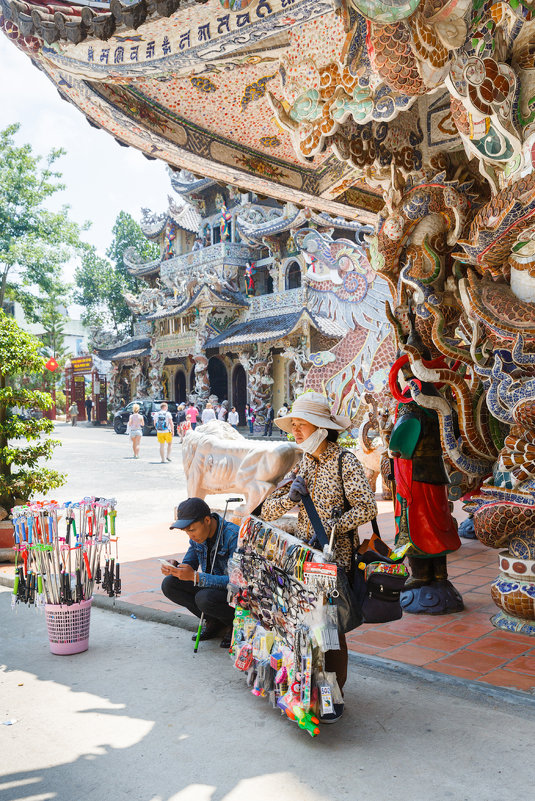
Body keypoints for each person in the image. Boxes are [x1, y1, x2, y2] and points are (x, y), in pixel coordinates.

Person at [261, 392, 377, 722]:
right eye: (293, 425)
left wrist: (333, 527)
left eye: (301, 425)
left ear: (322, 429)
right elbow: (268, 511)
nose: (295, 432)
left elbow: (367, 507)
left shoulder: (345, 461)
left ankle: (333, 692)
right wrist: (289, 499)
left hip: (333, 563)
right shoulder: (304, 463)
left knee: (330, 632)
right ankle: (311, 687)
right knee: (308, 627)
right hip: (304, 561)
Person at [161, 497, 239, 648]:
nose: (190, 536)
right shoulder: (197, 537)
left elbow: (235, 582)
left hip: (231, 594)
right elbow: (189, 564)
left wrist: (196, 577)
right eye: (186, 532)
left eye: (192, 530)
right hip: (210, 589)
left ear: (207, 520)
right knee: (170, 584)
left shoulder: (233, 536)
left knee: (204, 598)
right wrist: (176, 567)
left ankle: (233, 624)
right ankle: (213, 621)